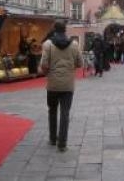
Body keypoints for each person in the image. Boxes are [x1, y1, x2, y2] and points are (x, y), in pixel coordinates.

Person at [40, 20, 83, 152]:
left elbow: (44, 64)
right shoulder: (74, 44)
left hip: (53, 84)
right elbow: (80, 63)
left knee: (52, 110)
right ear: (65, 30)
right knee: (65, 113)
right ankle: (62, 143)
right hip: (68, 85)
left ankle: (53, 138)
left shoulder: (48, 44)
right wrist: (70, 68)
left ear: (54, 29)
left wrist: (48, 73)